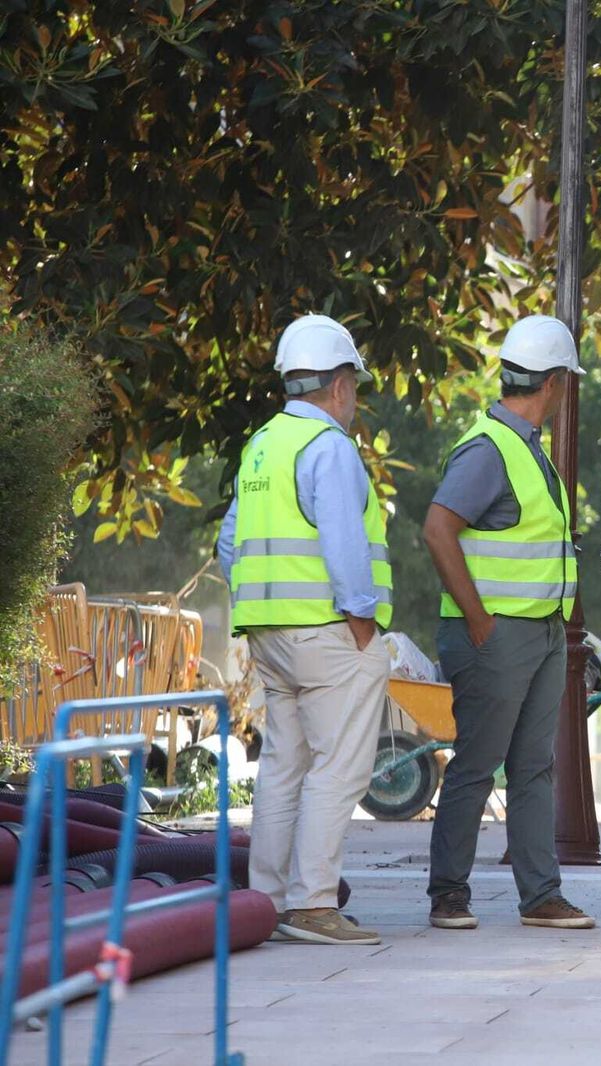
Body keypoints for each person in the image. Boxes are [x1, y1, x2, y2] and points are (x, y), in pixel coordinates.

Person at [217, 314, 391, 945]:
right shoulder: (331, 448)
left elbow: (228, 541)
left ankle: (264, 901)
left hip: (269, 634)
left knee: (285, 767)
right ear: (340, 384)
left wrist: (261, 605)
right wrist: (364, 623)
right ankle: (313, 904)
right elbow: (346, 546)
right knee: (338, 768)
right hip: (328, 633)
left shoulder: (262, 443)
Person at [421, 315, 593, 931]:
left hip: (538, 632)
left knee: (532, 766)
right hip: (495, 636)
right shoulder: (489, 448)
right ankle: (449, 896)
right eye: (565, 381)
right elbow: (438, 528)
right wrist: (479, 621)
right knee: (476, 763)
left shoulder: (523, 447)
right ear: (552, 383)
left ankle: (540, 894)